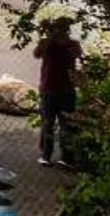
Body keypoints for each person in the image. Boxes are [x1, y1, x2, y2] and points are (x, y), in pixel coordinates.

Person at [32, 17, 82, 168]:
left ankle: (46, 155)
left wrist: (49, 35)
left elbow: (36, 53)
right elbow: (77, 54)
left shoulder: (48, 43)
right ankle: (67, 158)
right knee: (66, 123)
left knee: (48, 122)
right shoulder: (72, 44)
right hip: (66, 90)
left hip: (49, 88)